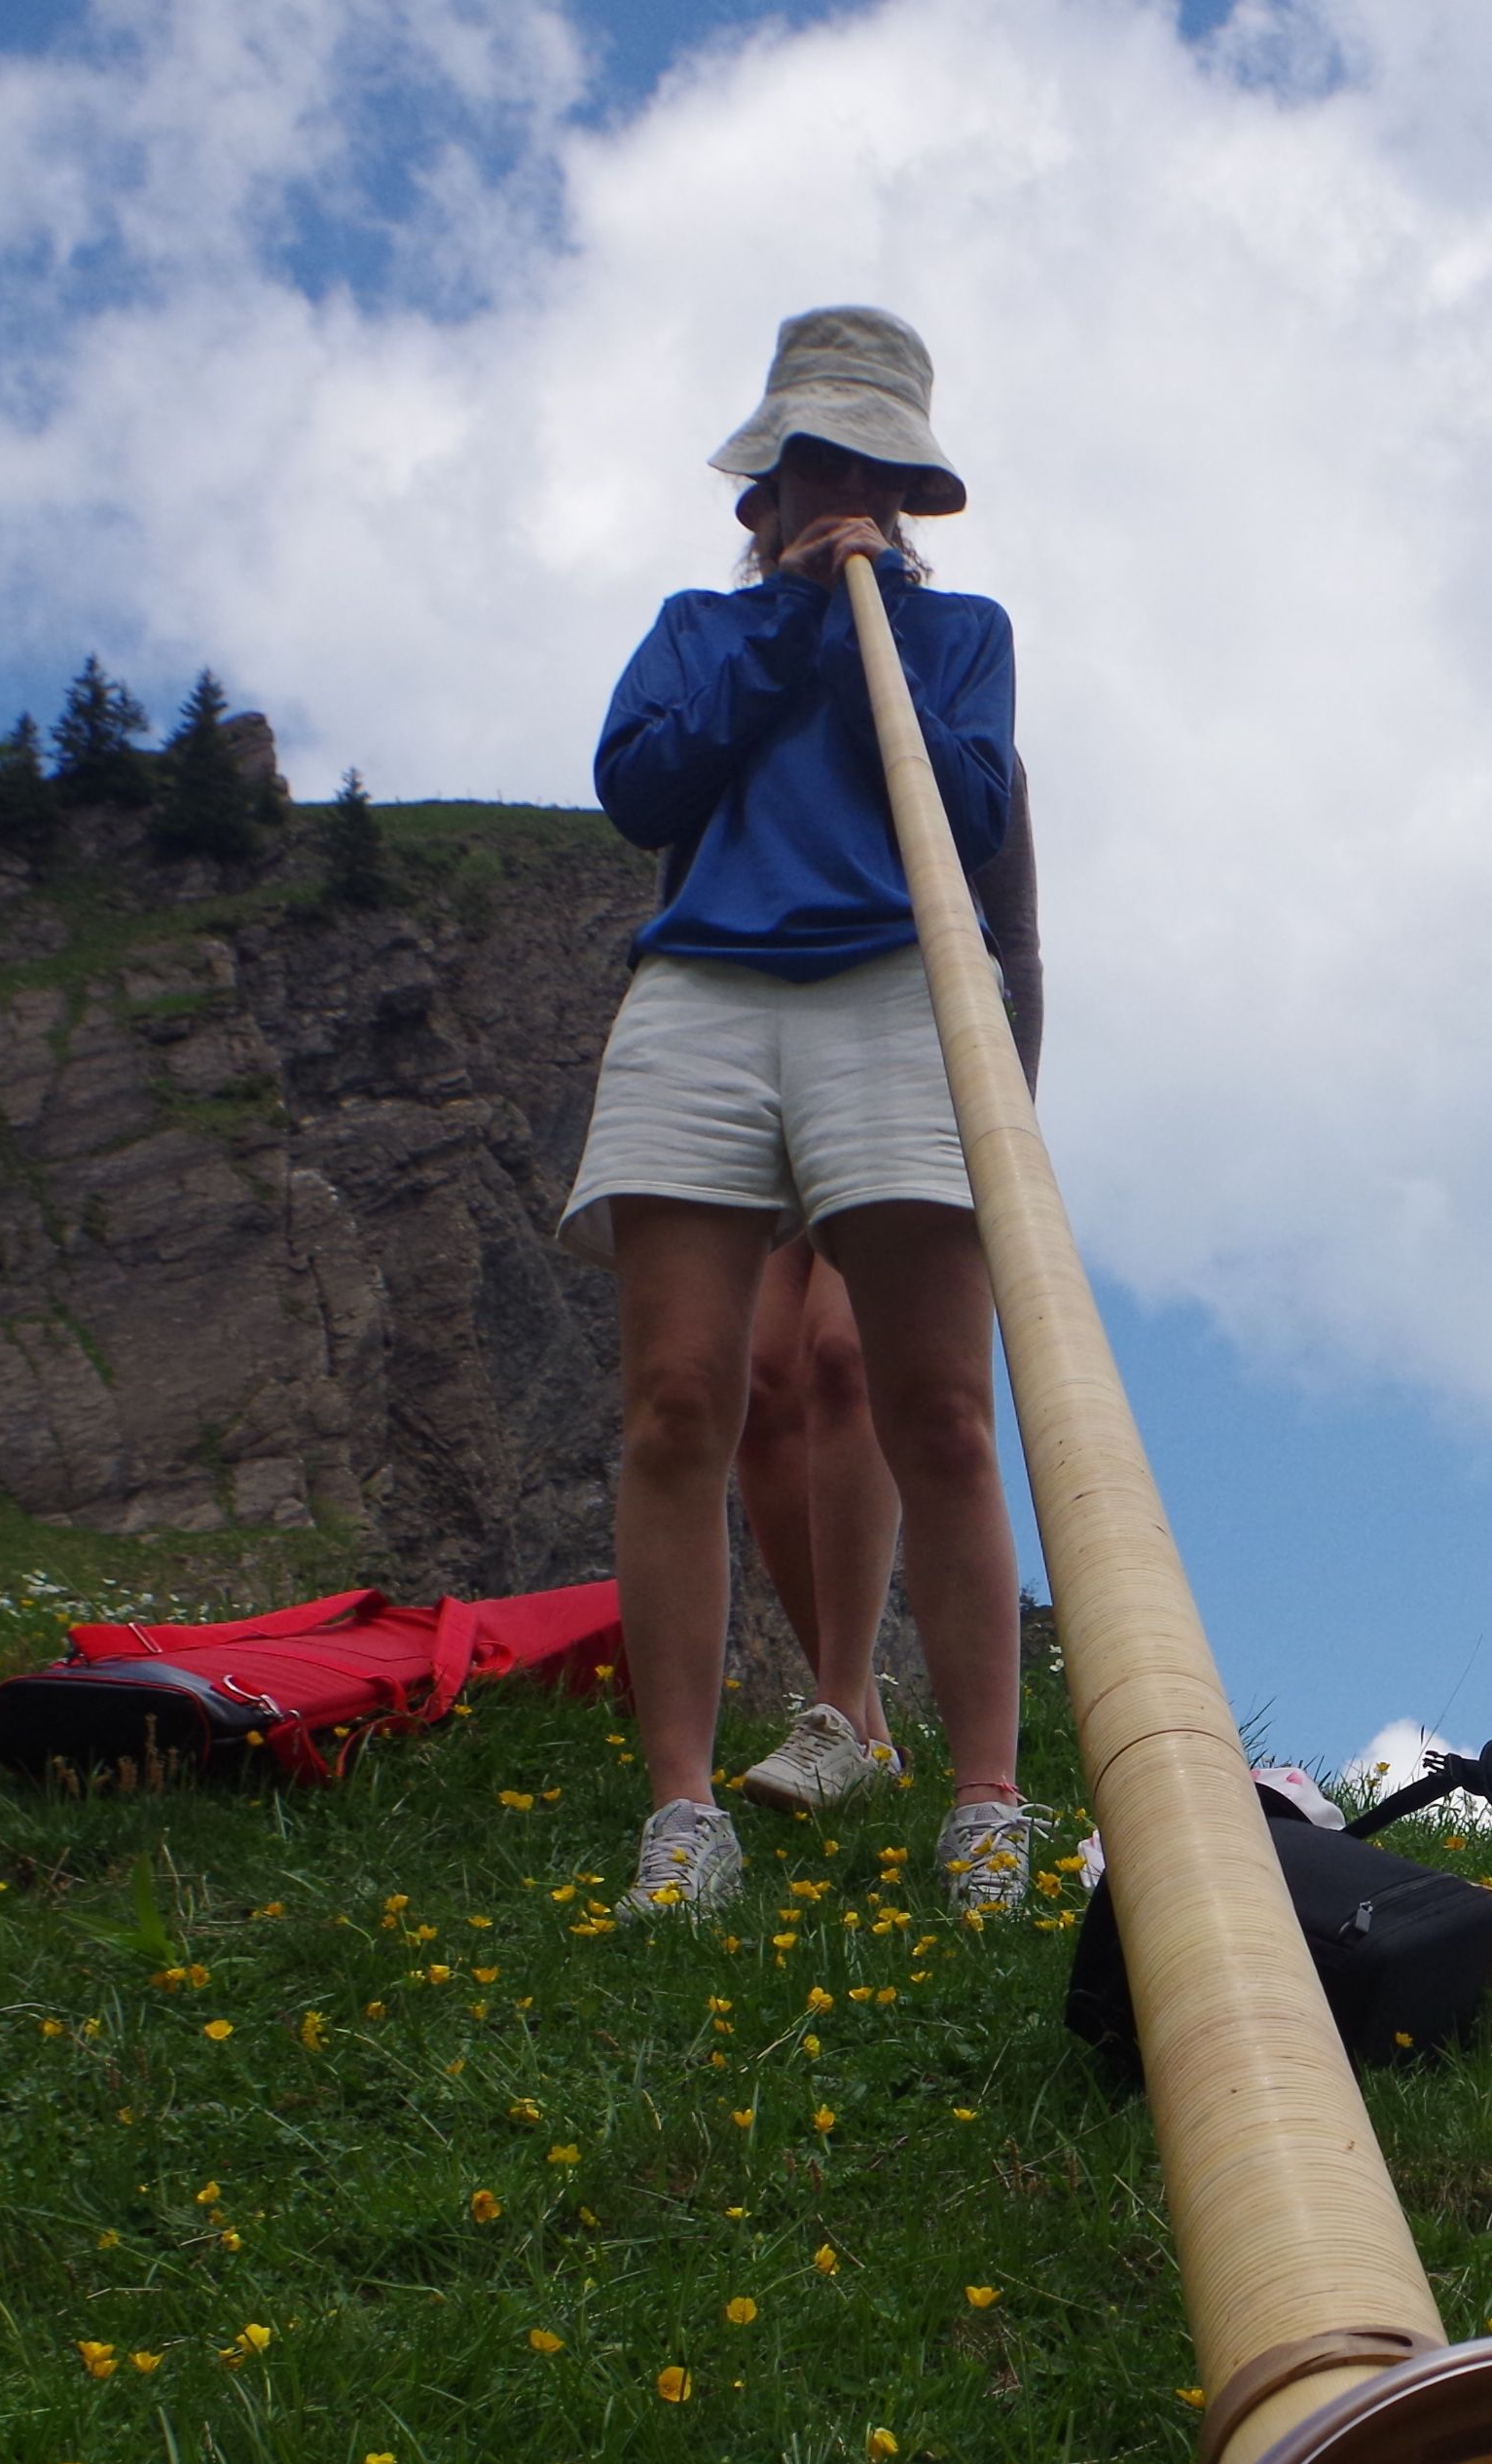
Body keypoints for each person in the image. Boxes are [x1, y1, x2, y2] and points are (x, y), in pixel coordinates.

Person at [570, 305, 1041, 1921]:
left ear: (906, 497)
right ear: (763, 487)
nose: (843, 494)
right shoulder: (698, 629)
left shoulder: (957, 633)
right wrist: (785, 623)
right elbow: (641, 785)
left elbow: (968, 808)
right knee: (677, 1404)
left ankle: (986, 1798)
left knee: (939, 1407)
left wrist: (864, 632)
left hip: (900, 993)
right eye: (814, 465)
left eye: (871, 471)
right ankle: (683, 1809)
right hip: (703, 995)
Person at [726, 751, 1038, 1816]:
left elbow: (1014, 937)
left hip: (912, 1062)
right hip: (766, 1047)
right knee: (760, 1388)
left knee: (848, 1353)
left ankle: (839, 1710)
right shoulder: (762, 714)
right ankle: (859, 1729)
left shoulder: (952, 732)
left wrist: (1008, 1122)